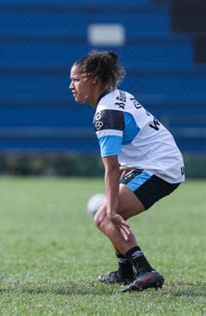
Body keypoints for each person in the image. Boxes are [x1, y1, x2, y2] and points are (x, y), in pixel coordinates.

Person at [69, 51, 185, 292]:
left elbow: (111, 168)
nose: (71, 86)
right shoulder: (115, 97)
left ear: (93, 78)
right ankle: (125, 272)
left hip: (160, 168)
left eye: (76, 79)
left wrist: (111, 210)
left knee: (104, 217)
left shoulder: (106, 114)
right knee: (109, 214)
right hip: (158, 162)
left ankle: (146, 271)